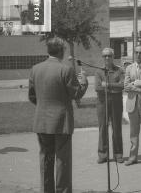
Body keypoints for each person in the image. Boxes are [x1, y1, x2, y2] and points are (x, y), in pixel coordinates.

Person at [28, 37, 88, 193]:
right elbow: (76, 94)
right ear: (61, 51)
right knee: (63, 161)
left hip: (42, 122)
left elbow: (32, 96)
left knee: (45, 159)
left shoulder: (35, 69)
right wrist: (84, 83)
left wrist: (44, 107)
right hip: (62, 123)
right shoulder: (66, 69)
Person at [95, 48, 124, 164]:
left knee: (117, 128)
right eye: (104, 56)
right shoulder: (98, 71)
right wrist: (114, 87)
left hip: (116, 103)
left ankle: (118, 154)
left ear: (113, 57)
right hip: (102, 103)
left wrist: (107, 85)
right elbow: (97, 88)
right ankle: (103, 154)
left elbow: (122, 85)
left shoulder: (119, 71)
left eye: (109, 56)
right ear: (102, 57)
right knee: (103, 128)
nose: (107, 58)